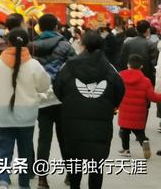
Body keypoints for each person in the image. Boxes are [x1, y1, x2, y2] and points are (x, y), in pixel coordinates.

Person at [54, 30, 125, 189]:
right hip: (100, 122)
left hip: (72, 120)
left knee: (74, 160)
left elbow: (58, 88)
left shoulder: (69, 66)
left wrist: (69, 102)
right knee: (96, 163)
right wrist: (110, 106)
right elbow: (120, 90)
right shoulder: (109, 68)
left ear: (83, 45)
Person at [0, 27, 50, 189]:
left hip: (4, 113)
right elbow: (44, 86)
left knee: (4, 148)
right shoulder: (34, 64)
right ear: (27, 43)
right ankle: (23, 182)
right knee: (25, 149)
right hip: (27, 114)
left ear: (7, 43)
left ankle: (3, 179)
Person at [31, 13, 76, 189]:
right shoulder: (66, 45)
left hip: (41, 98)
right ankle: (71, 176)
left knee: (44, 139)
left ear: (40, 28)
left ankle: (42, 178)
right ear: (57, 26)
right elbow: (74, 70)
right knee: (65, 138)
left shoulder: (33, 47)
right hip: (63, 98)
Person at [117, 54, 161, 159]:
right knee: (139, 131)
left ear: (128, 65)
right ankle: (144, 142)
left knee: (124, 131)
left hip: (125, 111)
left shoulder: (121, 76)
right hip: (139, 112)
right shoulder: (145, 81)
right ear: (141, 66)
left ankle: (126, 150)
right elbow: (152, 97)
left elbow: (116, 91)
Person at [119, 20, 158, 85]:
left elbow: (122, 61)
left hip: (128, 77)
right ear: (148, 30)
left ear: (136, 29)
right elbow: (153, 65)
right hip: (144, 78)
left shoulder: (127, 43)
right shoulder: (151, 44)